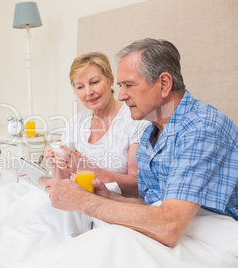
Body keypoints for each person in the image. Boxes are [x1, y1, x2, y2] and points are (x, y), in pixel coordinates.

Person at [39, 38, 238, 248]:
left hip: (213, 233)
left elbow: (169, 225)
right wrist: (109, 198)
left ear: (164, 84)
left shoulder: (200, 128)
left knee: (104, 243)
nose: (122, 95)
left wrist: (86, 202)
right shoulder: (152, 132)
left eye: (129, 85)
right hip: (173, 224)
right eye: (121, 86)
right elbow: (150, 204)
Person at [44, 52, 149, 197]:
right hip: (74, 200)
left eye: (94, 82)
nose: (89, 92)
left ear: (111, 81)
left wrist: (90, 169)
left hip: (113, 206)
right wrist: (56, 162)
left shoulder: (135, 121)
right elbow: (62, 180)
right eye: (80, 87)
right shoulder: (76, 122)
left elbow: (137, 186)